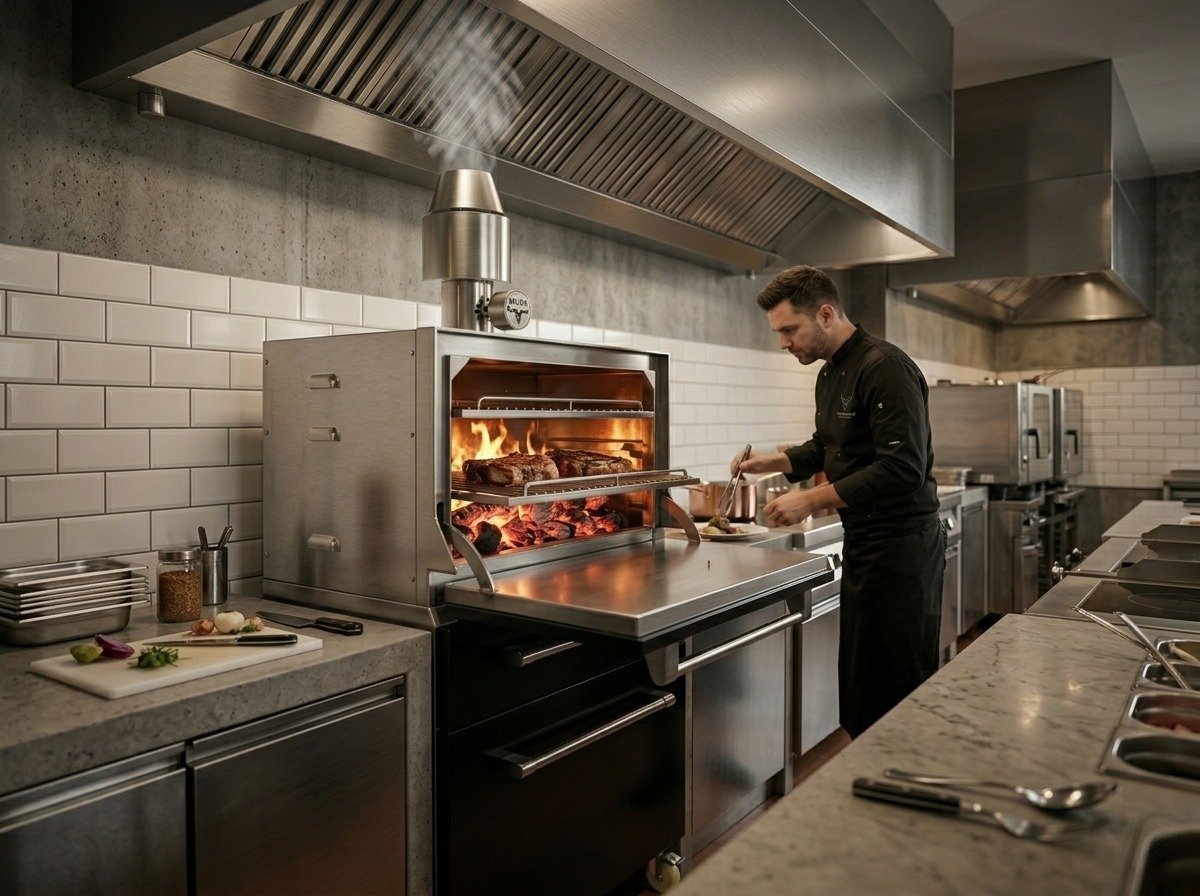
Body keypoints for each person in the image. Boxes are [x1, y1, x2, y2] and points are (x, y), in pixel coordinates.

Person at [738, 265, 944, 738]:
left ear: (826, 314)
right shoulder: (831, 373)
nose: (784, 343)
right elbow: (828, 445)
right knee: (862, 680)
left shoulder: (884, 367)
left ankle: (900, 786)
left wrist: (810, 501)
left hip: (902, 551)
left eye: (790, 329)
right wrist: (771, 462)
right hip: (866, 544)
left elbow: (902, 467)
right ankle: (863, 781)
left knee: (896, 688)